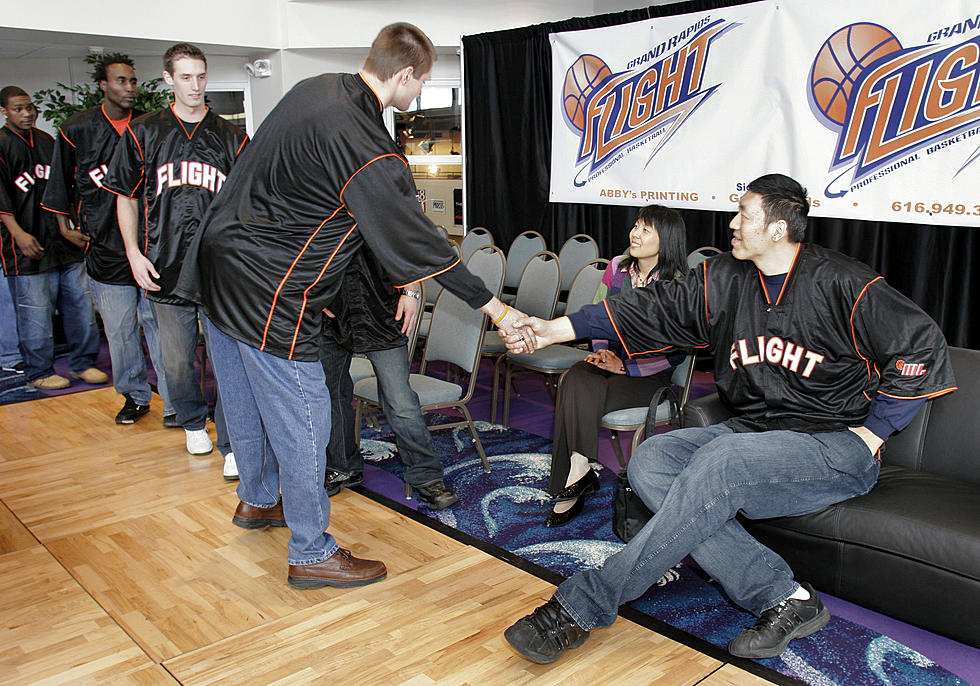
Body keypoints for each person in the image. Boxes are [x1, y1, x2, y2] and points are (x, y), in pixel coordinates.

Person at [501, 173, 956, 663]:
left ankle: (581, 606)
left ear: (779, 228)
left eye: (745, 216)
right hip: (755, 430)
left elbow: (921, 344)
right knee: (652, 459)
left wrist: (876, 430)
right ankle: (784, 597)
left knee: (722, 461)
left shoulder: (843, 281)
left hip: (832, 441)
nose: (732, 224)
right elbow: (649, 308)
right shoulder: (724, 277)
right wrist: (555, 329)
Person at [173, 23, 528, 590]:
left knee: (239, 394)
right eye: (422, 84)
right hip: (268, 289)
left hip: (217, 267)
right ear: (405, 73)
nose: (417, 97)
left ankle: (259, 499)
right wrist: (498, 309)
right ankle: (312, 551)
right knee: (307, 413)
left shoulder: (315, 88)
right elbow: (417, 244)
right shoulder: (365, 145)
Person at [103, 44, 247, 472]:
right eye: (185, 77)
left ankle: (235, 442)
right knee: (177, 358)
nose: (195, 85)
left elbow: (248, 204)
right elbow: (124, 199)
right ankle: (191, 423)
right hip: (163, 264)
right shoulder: (144, 132)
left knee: (229, 361)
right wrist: (133, 253)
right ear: (168, 79)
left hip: (220, 271)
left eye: (201, 76)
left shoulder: (230, 135)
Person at [42, 53, 174, 426]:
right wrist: (66, 226)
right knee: (119, 330)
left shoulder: (151, 127)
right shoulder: (76, 129)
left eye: (133, 81)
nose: (129, 87)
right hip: (104, 247)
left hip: (152, 247)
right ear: (103, 84)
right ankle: (134, 396)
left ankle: (175, 399)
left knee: (160, 329)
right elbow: (58, 186)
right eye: (121, 81)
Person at [546, 205, 688, 527]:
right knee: (575, 377)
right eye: (636, 226)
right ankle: (580, 467)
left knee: (580, 392)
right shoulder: (617, 269)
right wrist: (600, 354)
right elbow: (597, 315)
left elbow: (678, 350)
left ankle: (569, 486)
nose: (634, 234)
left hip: (651, 373)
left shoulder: (678, 285)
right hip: (611, 360)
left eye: (645, 230)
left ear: (666, 240)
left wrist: (628, 368)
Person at [320, 246, 458, 510]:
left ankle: (427, 478)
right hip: (330, 311)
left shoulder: (381, 203)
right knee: (331, 394)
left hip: (381, 310)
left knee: (400, 400)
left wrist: (411, 290)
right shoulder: (313, 205)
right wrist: (313, 294)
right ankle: (342, 466)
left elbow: (404, 240)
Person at [0, 86, 108, 390]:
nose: (27, 113)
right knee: (36, 313)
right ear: (4, 112)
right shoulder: (2, 145)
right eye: (18, 108)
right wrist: (19, 234)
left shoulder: (47, 142)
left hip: (62, 242)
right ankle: (39, 371)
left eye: (30, 107)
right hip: (26, 245)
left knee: (80, 306)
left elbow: (63, 188)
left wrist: (69, 226)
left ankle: (83, 362)